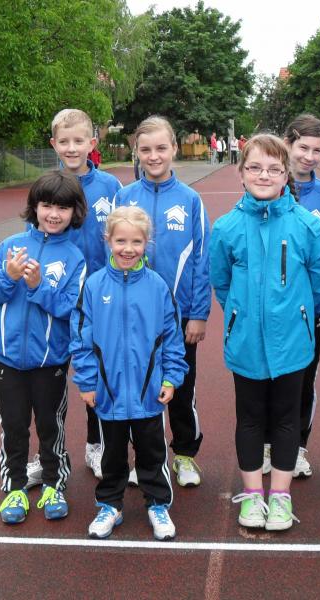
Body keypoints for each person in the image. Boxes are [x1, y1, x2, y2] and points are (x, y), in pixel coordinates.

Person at [210, 134, 320, 531]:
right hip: (245, 341)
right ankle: (252, 495)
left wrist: (295, 314)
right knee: (248, 418)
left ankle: (280, 495)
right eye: (255, 168)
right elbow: (221, 282)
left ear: (286, 175)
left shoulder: (309, 227)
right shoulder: (226, 227)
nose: (264, 175)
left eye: (274, 169)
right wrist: (240, 315)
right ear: (242, 172)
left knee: (285, 419)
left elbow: (317, 283)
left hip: (292, 341)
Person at [0, 170, 87, 524]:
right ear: (34, 207)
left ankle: (54, 483)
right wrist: (8, 277)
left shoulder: (75, 258)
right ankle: (15, 487)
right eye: (47, 205)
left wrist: (39, 287)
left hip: (50, 360)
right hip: (6, 357)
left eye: (62, 208)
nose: (54, 214)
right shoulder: (10, 246)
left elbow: (72, 308)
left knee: (51, 425)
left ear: (74, 212)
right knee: (13, 425)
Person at [72, 206, 189, 540]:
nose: (128, 248)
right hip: (107, 393)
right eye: (121, 240)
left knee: (152, 453)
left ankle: (158, 504)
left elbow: (172, 337)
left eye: (136, 241)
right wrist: (87, 382)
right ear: (108, 239)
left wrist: (171, 378)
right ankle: (110, 505)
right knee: (111, 456)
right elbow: (81, 339)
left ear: (146, 242)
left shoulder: (157, 286)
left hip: (148, 392)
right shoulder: (94, 286)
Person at [26, 108, 122, 488]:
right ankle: (49, 453)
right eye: (64, 141)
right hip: (55, 299)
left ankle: (96, 446)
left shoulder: (110, 186)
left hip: (98, 302)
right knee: (49, 382)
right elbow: (34, 239)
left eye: (78, 140)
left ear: (91, 144)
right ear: (54, 144)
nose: (71, 147)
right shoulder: (48, 187)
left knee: (97, 373)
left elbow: (121, 236)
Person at [114, 116, 211, 488]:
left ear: (174, 148)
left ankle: (185, 454)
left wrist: (198, 313)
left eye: (161, 148)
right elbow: (114, 254)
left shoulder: (190, 200)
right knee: (140, 388)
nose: (153, 156)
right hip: (135, 316)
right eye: (145, 149)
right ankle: (147, 458)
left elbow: (201, 259)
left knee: (181, 387)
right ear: (137, 153)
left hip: (179, 315)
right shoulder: (125, 197)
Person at [256, 114, 320, 479]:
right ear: (287, 144)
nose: (309, 156)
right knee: (263, 378)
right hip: (267, 309)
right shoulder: (264, 189)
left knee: (303, 380)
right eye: (303, 147)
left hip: (308, 312)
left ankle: (298, 447)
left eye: (317, 150)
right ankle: (266, 445)